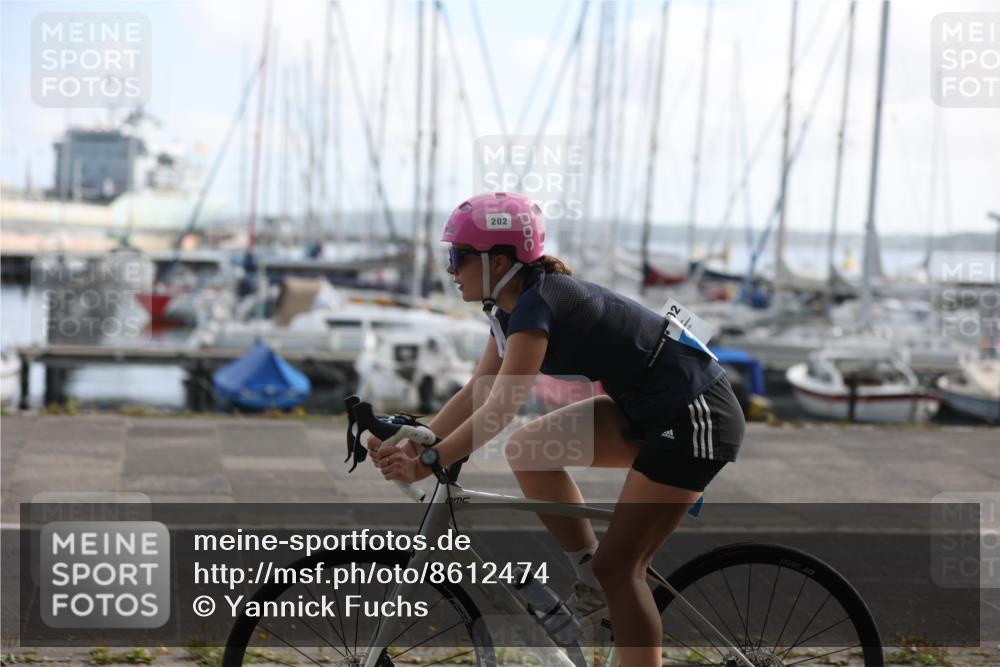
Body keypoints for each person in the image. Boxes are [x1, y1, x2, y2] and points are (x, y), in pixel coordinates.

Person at [369, 191, 745, 667]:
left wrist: (429, 462)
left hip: (695, 416)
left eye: (458, 257)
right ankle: (591, 579)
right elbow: (478, 391)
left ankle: (605, 579)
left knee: (622, 569)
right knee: (530, 450)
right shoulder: (510, 308)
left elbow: (501, 407)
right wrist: (417, 437)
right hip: (648, 409)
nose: (450, 269)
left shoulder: (538, 304)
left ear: (498, 260)